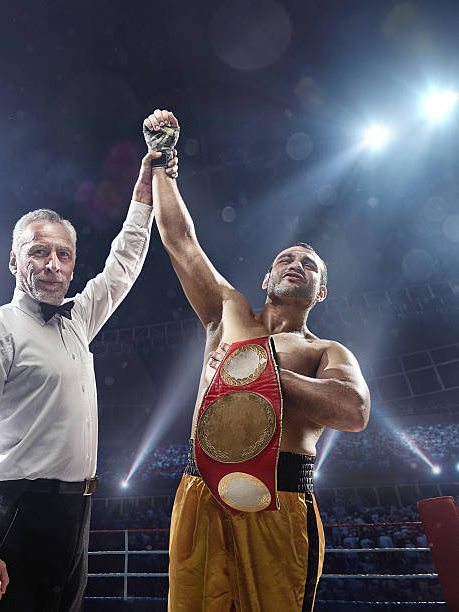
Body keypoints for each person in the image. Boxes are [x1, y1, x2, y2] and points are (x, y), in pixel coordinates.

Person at [143, 109, 370, 612]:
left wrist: (263, 377)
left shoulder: (325, 352)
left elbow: (354, 410)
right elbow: (180, 241)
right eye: (285, 260)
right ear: (267, 279)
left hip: (280, 499)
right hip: (199, 493)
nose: (296, 265)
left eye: (309, 265)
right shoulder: (227, 313)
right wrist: (162, 160)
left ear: (321, 291)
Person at [0, 149, 178, 611]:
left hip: (77, 512)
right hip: (16, 510)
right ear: (14, 261)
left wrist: (145, 191)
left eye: (63, 254)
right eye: (39, 252)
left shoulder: (78, 321)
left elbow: (122, 265)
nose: (52, 264)